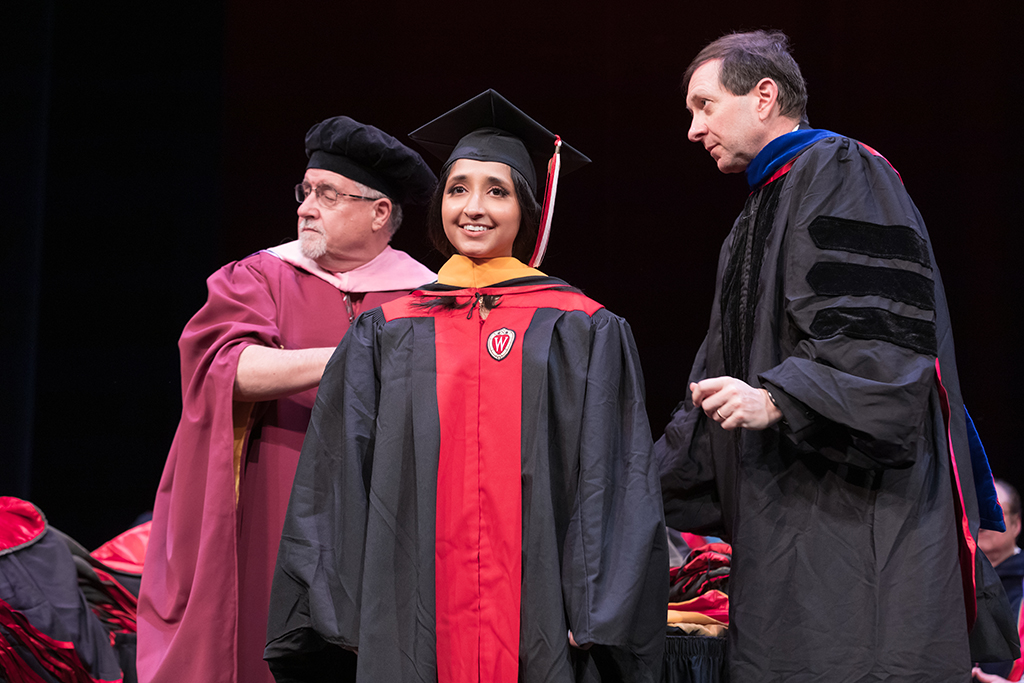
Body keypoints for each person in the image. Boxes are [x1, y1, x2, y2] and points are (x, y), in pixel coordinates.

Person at [265, 90, 668, 683]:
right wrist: (341, 609)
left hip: (539, 611)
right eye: (458, 189)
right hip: (408, 606)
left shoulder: (581, 327)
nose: (473, 208)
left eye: (496, 191)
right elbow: (337, 474)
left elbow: (612, 473)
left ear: (527, 208)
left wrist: (596, 607)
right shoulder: (387, 330)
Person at [656, 30, 1014, 681]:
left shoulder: (843, 170)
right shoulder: (755, 216)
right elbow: (715, 380)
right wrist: (632, 486)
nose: (692, 128)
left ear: (764, 95)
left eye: (704, 105)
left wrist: (780, 398)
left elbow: (879, 339)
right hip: (789, 526)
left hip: (858, 530)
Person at [136, 117, 437, 683]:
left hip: (389, 514)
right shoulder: (259, 277)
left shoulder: (428, 298)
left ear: (379, 213)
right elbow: (225, 367)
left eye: (327, 193)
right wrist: (353, 359)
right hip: (275, 497)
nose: (305, 206)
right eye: (305, 191)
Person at [977, 480, 1024, 678]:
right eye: (977, 510)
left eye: (994, 510)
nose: (983, 521)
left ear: (1016, 525)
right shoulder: (953, 578)